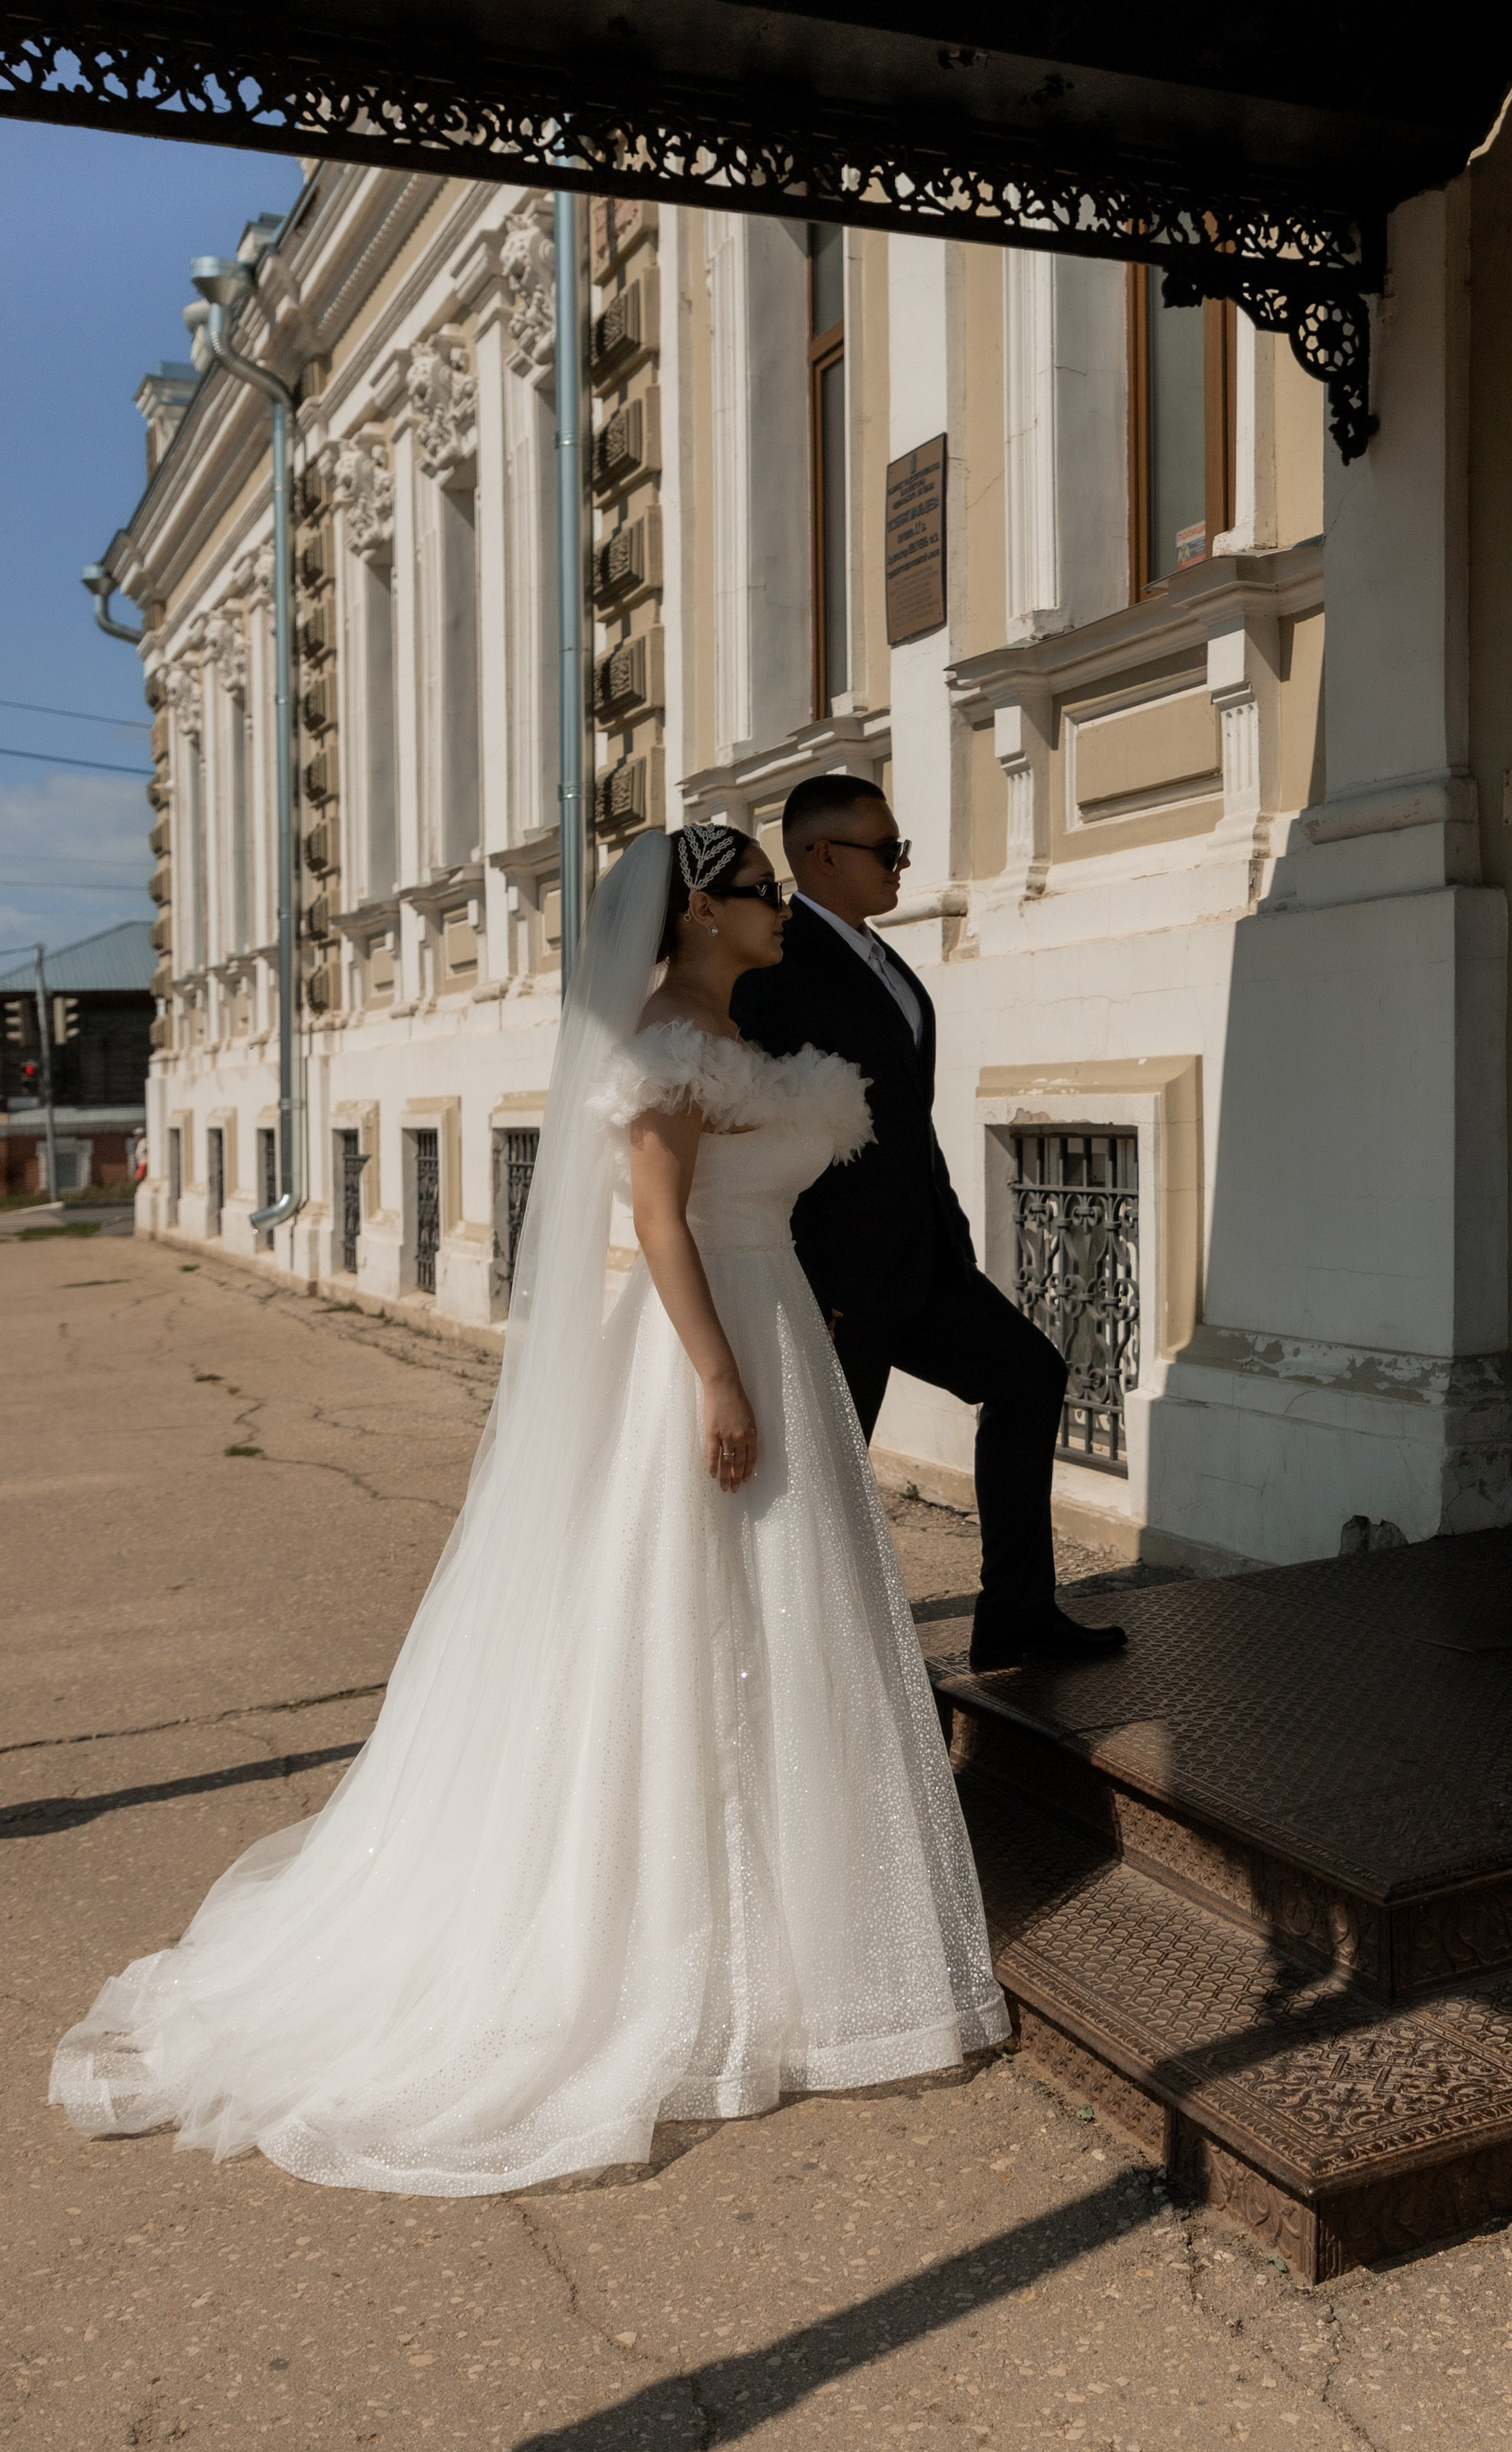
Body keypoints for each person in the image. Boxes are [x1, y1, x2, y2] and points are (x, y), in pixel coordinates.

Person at [48, 824, 1006, 2193]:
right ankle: (670, 1940)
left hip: (773, 1317)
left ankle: (797, 1945)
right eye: (757, 894)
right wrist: (721, 1380)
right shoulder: (671, 1041)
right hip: (706, 1345)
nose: (781, 912)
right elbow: (666, 1223)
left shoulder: (727, 1030)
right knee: (683, 1621)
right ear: (697, 914)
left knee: (784, 1624)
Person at [732, 772, 1127, 1674]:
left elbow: (905, 1115)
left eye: (901, 847)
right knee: (818, 1485)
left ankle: (1016, 1616)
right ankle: (792, 1673)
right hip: (838, 1284)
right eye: (887, 849)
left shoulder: (884, 960)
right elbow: (746, 1123)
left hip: (922, 1259)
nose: (901, 864)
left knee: (1029, 1374)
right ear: (821, 855)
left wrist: (947, 1220)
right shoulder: (777, 968)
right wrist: (802, 1274)